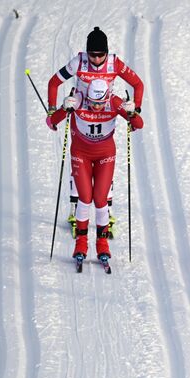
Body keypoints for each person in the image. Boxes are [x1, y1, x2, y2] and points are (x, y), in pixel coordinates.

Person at [47, 26, 144, 236]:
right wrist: (54, 109)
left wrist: (134, 110)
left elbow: (138, 84)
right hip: (80, 110)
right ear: (87, 52)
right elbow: (54, 82)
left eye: (101, 55)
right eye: (93, 55)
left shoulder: (114, 63)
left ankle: (105, 210)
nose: (97, 59)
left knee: (104, 162)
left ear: (107, 53)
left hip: (105, 110)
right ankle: (76, 208)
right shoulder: (78, 62)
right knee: (80, 161)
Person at [46, 79, 144, 273]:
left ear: (107, 98)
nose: (96, 106)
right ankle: (81, 245)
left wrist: (132, 112)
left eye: (100, 103)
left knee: (100, 199)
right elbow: (51, 122)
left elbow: (139, 124)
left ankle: (102, 246)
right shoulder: (79, 100)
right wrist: (63, 108)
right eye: (93, 102)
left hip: (105, 154)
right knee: (84, 198)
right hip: (81, 153)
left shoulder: (114, 102)